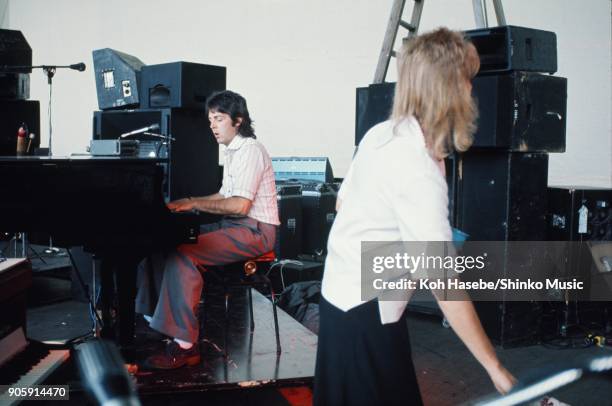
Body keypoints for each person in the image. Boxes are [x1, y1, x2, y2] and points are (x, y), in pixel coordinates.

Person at [313, 28, 516, 405]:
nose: (472, 91)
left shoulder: (380, 133)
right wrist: (496, 369)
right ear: (449, 89)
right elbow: (443, 285)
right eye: (467, 81)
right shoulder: (417, 165)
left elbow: (343, 204)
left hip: (340, 300)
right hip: (365, 315)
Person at [135, 90, 280, 370]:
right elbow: (224, 195)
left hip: (256, 231)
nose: (212, 125)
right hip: (238, 226)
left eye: (219, 118)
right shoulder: (234, 150)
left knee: (185, 253)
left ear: (238, 120)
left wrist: (194, 204)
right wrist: (188, 203)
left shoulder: (250, 149)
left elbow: (238, 205)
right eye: (210, 119)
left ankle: (185, 345)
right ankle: (156, 321)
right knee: (164, 242)